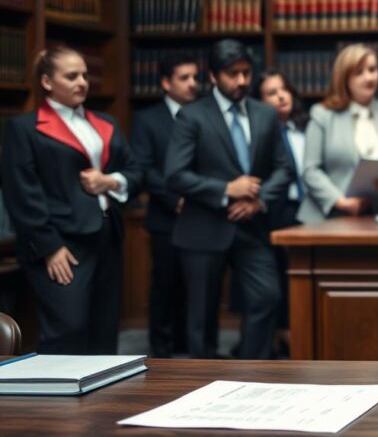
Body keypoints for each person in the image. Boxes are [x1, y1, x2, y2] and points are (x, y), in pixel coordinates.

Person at [1, 45, 142, 354]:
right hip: (61, 242)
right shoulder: (24, 128)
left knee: (105, 329)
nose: (82, 82)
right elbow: (22, 194)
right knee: (68, 329)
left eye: (84, 75)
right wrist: (50, 247)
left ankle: (105, 400)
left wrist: (110, 180)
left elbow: (134, 170)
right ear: (47, 82)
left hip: (107, 235)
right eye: (71, 76)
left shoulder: (104, 122)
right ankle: (60, 402)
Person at [165, 39, 292, 359]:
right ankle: (202, 383)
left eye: (247, 73)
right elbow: (175, 174)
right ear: (213, 76)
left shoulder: (265, 114)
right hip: (204, 227)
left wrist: (257, 199)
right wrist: (226, 190)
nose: (241, 81)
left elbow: (284, 168)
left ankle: (254, 373)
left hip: (252, 224)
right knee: (202, 316)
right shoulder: (192, 115)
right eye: (232, 74)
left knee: (267, 297)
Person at [130, 55, 199, 358]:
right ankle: (161, 349)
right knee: (165, 284)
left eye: (195, 77)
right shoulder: (148, 119)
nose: (192, 84)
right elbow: (145, 170)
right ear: (166, 83)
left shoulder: (201, 114)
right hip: (166, 217)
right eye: (184, 77)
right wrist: (176, 198)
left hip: (201, 214)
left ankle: (189, 346)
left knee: (195, 285)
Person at [298, 43, 378, 222]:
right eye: (359, 72)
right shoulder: (322, 115)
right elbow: (310, 170)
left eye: (372, 69)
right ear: (344, 78)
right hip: (330, 215)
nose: (369, 78)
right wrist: (341, 202)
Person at [253, 68, 307, 357]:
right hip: (272, 210)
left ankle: (296, 332)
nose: (281, 96)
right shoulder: (261, 133)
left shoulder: (303, 128)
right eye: (271, 93)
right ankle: (279, 334)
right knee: (274, 278)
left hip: (303, 209)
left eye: (284, 89)